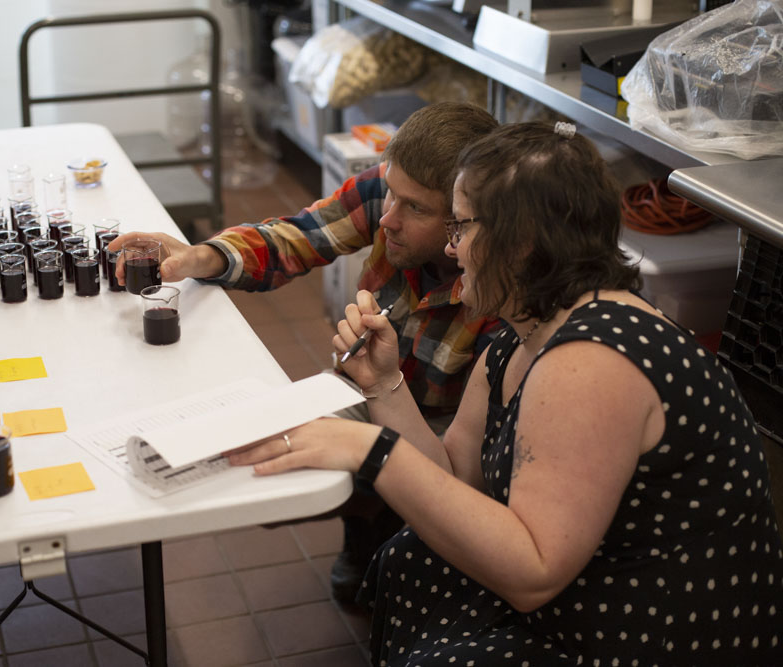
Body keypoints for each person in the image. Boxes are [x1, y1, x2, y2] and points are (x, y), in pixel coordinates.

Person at [225, 121, 783, 665]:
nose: (453, 250)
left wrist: (370, 451)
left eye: (461, 228)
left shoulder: (593, 362)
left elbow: (534, 574)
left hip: (651, 632)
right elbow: (455, 477)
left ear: (518, 246)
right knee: (412, 556)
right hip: (592, 589)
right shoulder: (522, 338)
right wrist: (384, 384)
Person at [109, 102, 501, 602]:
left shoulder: (498, 294)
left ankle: (400, 546)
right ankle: (367, 527)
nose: (387, 220)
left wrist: (388, 461)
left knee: (414, 527)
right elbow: (299, 236)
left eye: (416, 209)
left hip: (448, 432)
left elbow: (462, 474)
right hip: (370, 386)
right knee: (271, 473)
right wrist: (201, 256)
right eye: (390, 194)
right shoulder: (394, 193)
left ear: (463, 223)